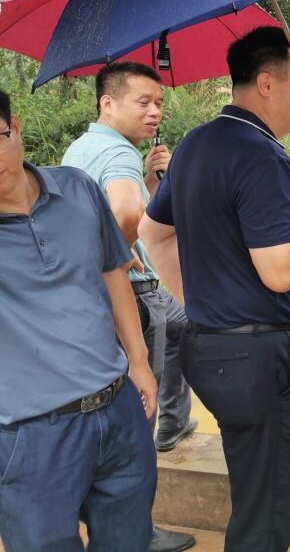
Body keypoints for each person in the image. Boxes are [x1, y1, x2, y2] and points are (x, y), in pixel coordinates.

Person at [139, 26, 290, 551]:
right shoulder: (260, 155)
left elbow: (153, 233)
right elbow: (281, 270)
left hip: (211, 348)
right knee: (263, 522)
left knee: (261, 468)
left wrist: (204, 304)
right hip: (257, 359)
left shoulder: (199, 141)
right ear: (267, 85)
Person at [0, 88, 158, 550]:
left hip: (118, 410)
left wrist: (140, 360)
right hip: (30, 436)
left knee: (129, 540)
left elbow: (113, 271)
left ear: (17, 128)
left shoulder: (77, 187)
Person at [61, 62, 197, 552]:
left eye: (159, 102)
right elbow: (126, 213)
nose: (155, 111)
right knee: (138, 409)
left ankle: (176, 419)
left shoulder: (81, 148)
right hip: (132, 297)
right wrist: (111, 264)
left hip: (101, 301)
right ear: (108, 103)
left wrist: (153, 178)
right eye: (143, 101)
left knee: (186, 324)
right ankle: (139, 525)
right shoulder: (117, 153)